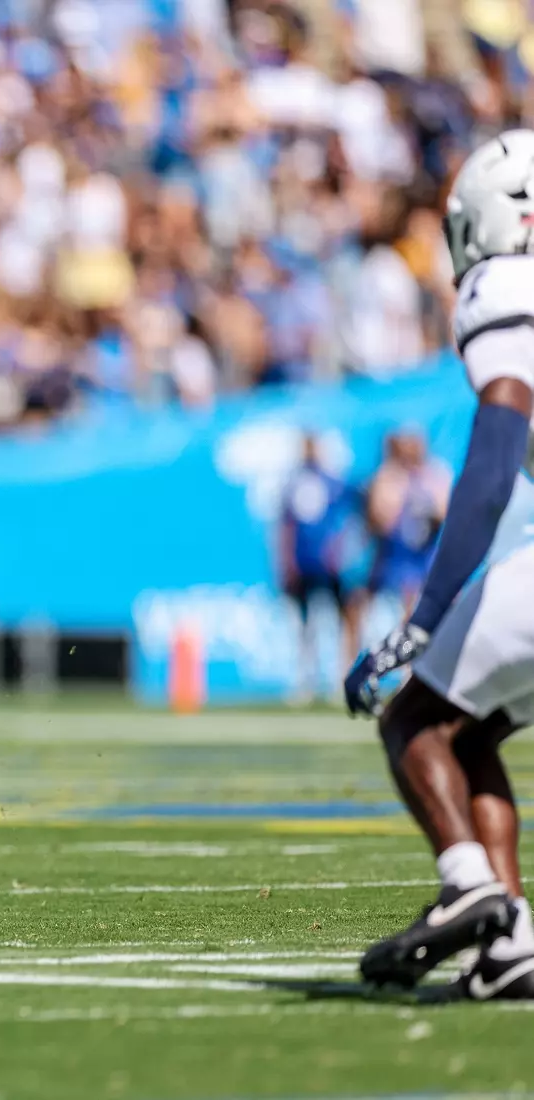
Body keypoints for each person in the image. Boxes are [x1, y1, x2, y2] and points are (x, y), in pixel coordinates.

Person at [344, 131, 534, 1001]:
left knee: (412, 720)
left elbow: (495, 455)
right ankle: (511, 944)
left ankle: (469, 884)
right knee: (472, 728)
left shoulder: (504, 281)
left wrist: (424, 616)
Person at [279, 433, 359, 701]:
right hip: (304, 563)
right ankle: (306, 679)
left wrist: (341, 549)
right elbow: (285, 526)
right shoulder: (293, 483)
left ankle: (341, 676)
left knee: (340, 620)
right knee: (305, 624)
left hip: (329, 564)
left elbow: (352, 514)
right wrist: (287, 561)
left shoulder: (333, 482)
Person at [364, 427, 451, 615]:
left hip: (426, 568)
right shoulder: (387, 476)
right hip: (393, 571)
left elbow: (445, 511)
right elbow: (380, 518)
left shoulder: (435, 474)